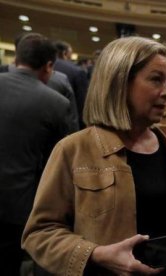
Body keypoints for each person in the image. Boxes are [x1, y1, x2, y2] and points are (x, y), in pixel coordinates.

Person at [22, 36, 166, 275]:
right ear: (119, 82)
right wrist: (96, 254)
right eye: (156, 80)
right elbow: (39, 234)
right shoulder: (73, 149)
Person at [0, 33, 71, 276]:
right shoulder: (56, 103)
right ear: (49, 66)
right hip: (21, 206)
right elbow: (62, 162)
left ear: (16, 57)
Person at [53, 40, 89, 128]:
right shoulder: (77, 71)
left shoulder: (40, 66)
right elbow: (82, 103)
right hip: (67, 124)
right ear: (65, 53)